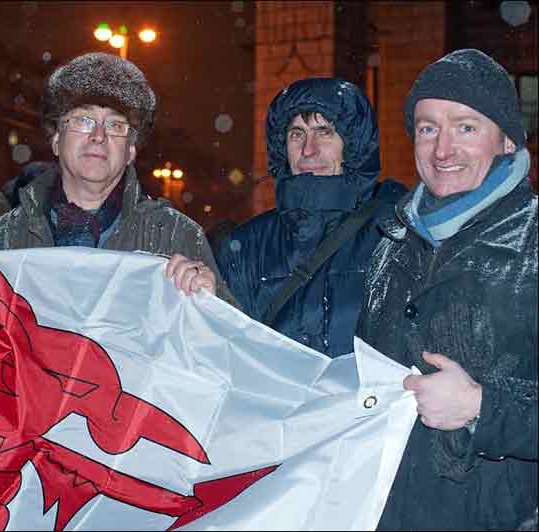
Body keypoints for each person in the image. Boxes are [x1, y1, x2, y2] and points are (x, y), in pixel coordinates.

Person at [355, 49, 537, 530]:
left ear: (505, 142)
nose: (442, 150)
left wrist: (481, 408)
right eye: (428, 127)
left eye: (466, 127)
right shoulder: (394, 242)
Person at [0, 52, 232, 302]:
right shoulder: (2, 240)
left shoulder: (176, 237)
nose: (98, 136)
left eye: (116, 125)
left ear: (130, 151)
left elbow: (228, 351)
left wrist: (210, 299)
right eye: (83, 120)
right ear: (55, 141)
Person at [216, 78, 406, 357]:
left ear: (353, 145)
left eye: (324, 132)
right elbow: (223, 351)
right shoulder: (247, 246)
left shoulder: (395, 235)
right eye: (296, 134)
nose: (308, 149)